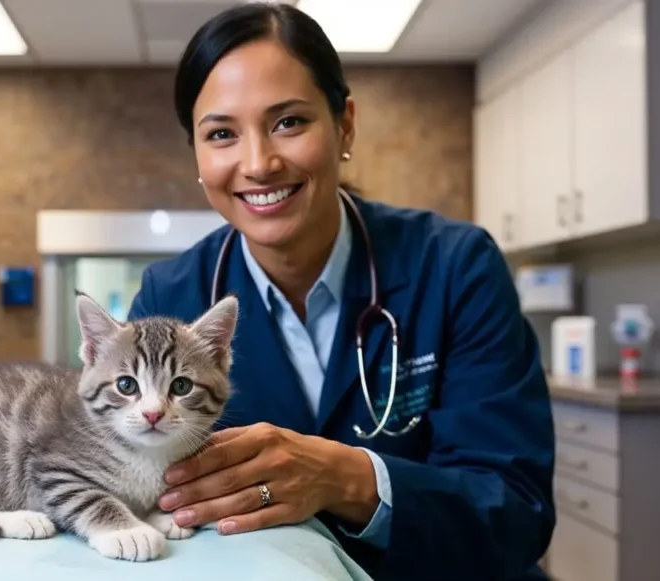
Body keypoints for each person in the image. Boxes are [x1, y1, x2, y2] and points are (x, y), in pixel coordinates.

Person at [126, 3, 556, 580]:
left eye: (289, 122)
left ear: (344, 125)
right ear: (199, 157)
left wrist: (349, 479)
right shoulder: (173, 295)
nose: (258, 163)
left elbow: (515, 512)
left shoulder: (454, 266)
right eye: (222, 134)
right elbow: (140, 490)